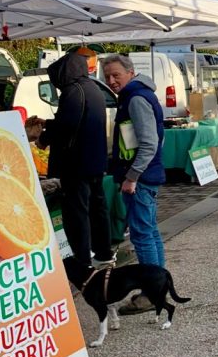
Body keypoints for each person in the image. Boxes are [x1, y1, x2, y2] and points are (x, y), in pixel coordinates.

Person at [40, 52, 112, 268]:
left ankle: (81, 259)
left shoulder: (73, 91)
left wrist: (45, 136)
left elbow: (67, 125)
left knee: (76, 211)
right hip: (95, 160)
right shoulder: (93, 88)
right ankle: (103, 251)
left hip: (76, 162)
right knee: (97, 207)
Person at [103, 54, 167, 271]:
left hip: (140, 179)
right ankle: (158, 283)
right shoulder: (135, 95)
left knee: (141, 235)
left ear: (130, 73)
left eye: (116, 75)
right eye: (107, 76)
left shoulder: (136, 99)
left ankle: (151, 290)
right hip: (144, 175)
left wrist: (132, 177)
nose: (111, 81)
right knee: (149, 231)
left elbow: (149, 143)